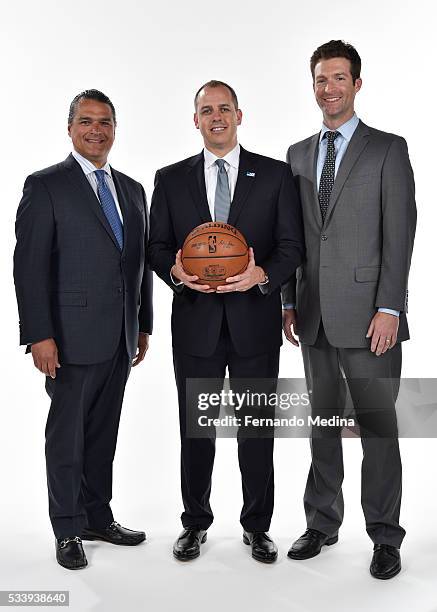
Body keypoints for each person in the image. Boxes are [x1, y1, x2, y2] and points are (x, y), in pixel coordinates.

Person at [149, 80, 303, 563]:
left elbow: (291, 248)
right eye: (206, 110)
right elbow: (155, 246)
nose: (216, 117)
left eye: (224, 109)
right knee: (196, 430)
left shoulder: (275, 176)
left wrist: (262, 275)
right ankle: (194, 523)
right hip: (195, 326)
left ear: (240, 115)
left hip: (254, 324)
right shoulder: (170, 179)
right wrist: (174, 271)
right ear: (195, 120)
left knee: (255, 430)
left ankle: (257, 526)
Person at [282, 40, 416, 579]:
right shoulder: (296, 154)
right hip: (312, 313)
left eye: (339, 78)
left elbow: (400, 234)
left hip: (370, 317)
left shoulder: (387, 149)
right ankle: (321, 523)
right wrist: (289, 302)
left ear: (357, 84)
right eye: (321, 79)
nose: (329, 88)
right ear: (313, 85)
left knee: (378, 429)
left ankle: (385, 536)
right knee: (323, 424)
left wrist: (391, 307)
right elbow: (294, 237)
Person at [13, 89, 153, 570]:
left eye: (106, 122)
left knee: (103, 433)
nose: (97, 130)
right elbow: (28, 268)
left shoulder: (133, 190)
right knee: (67, 435)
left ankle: (97, 516)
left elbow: (136, 264)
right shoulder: (46, 185)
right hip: (68, 338)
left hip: (119, 336)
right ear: (70, 128)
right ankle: (67, 527)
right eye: (87, 121)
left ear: (116, 129)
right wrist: (39, 334)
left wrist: (143, 325)